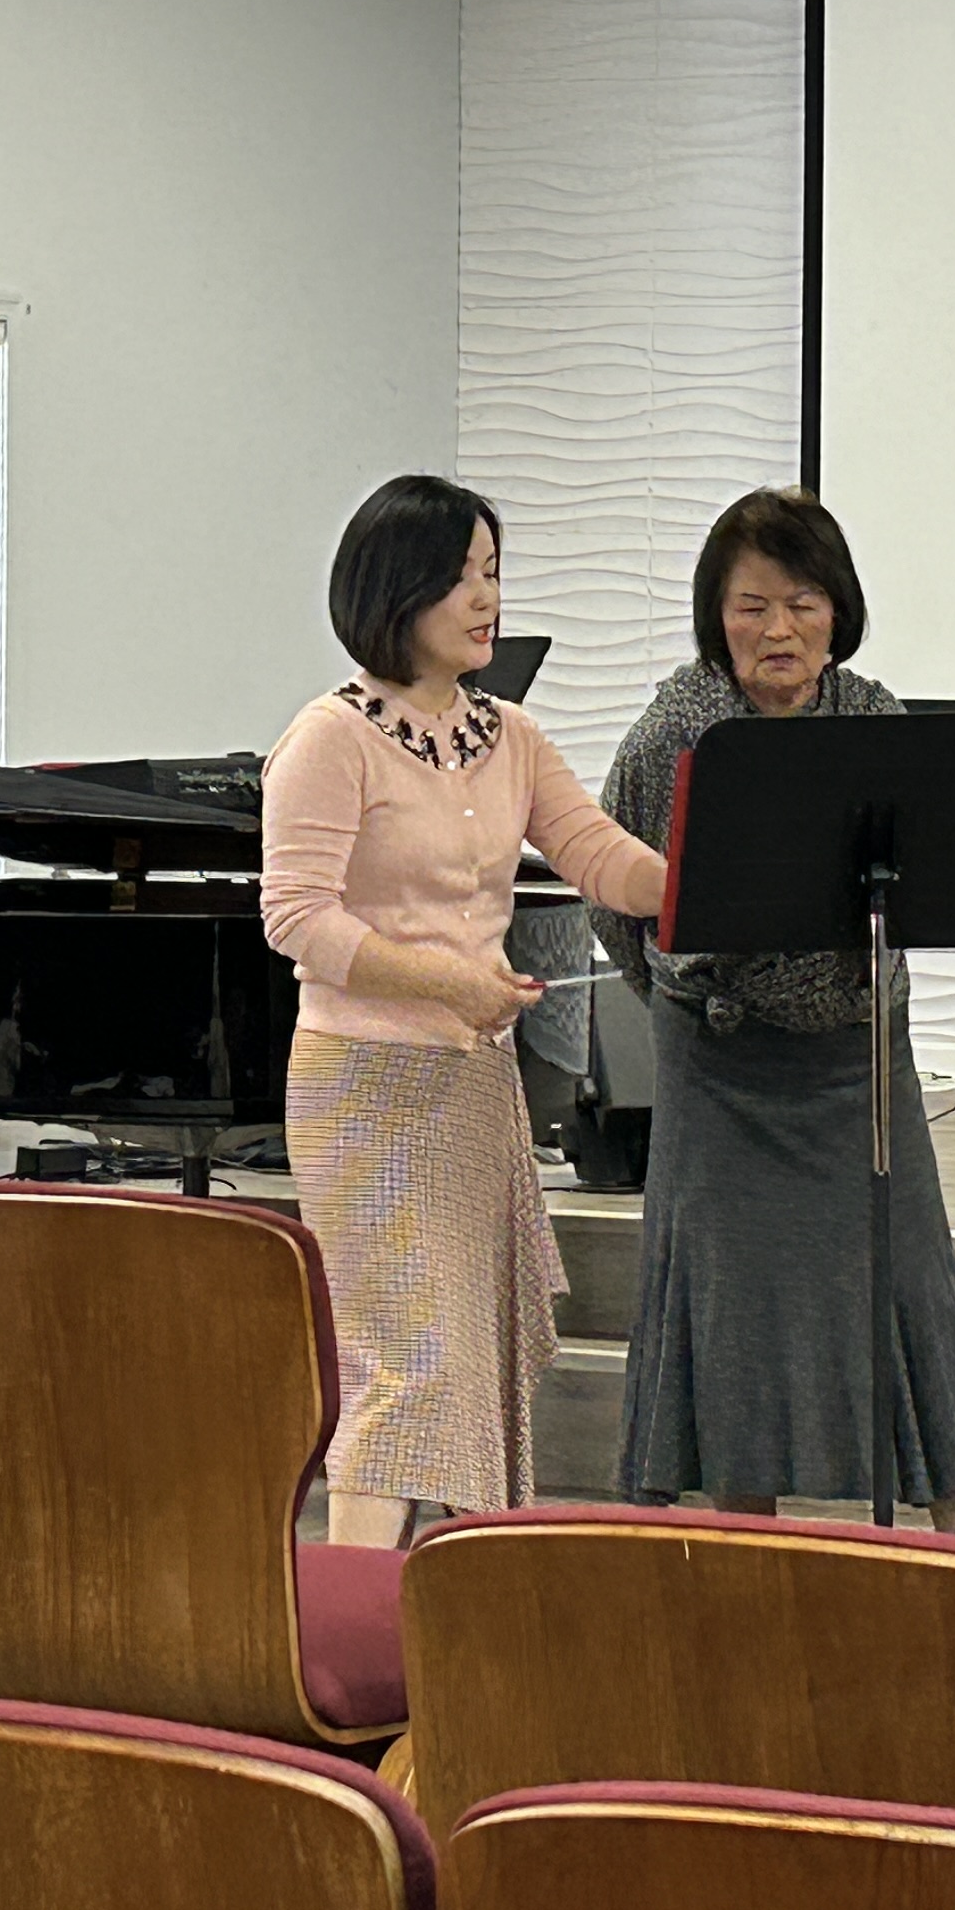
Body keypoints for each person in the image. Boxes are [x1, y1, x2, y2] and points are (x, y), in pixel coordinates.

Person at [260, 477, 668, 1548]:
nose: (488, 599)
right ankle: (356, 1604)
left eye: (493, 573)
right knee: (403, 1362)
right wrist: (448, 983)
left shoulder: (510, 734)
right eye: (462, 578)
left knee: (464, 1361)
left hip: (473, 1089)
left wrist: (702, 884)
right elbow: (296, 919)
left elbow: (598, 856)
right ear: (397, 590)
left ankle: (447, 1595)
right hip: (364, 1085)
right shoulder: (329, 737)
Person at [594, 490, 955, 1531]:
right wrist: (690, 1004)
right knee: (730, 1320)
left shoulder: (875, 723)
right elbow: (615, 903)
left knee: (916, 1295)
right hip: (722, 1075)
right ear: (715, 614)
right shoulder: (673, 732)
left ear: (838, 611)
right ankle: (751, 1576)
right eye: (751, 607)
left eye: (802, 604)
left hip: (856, 1065)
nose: (777, 630)